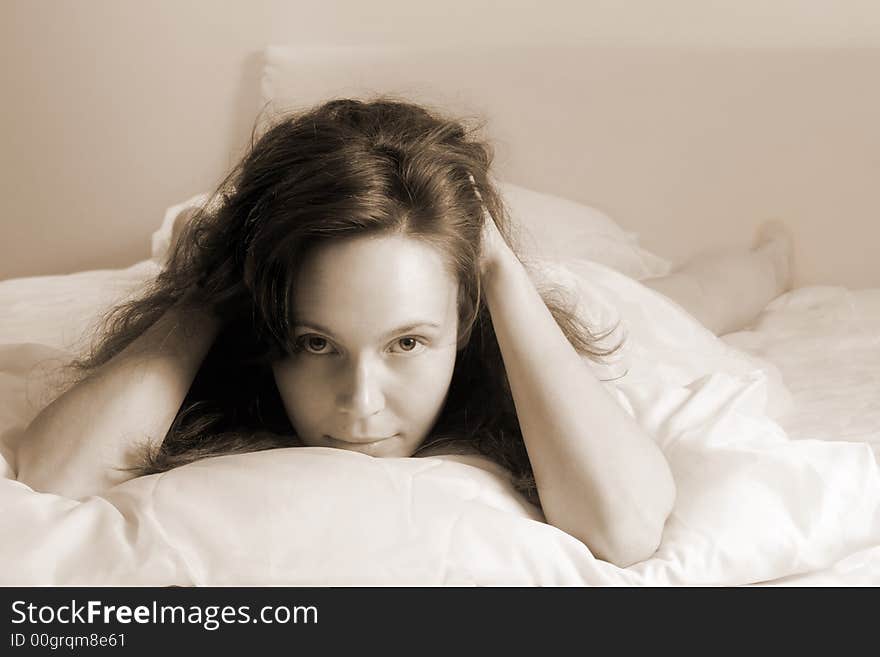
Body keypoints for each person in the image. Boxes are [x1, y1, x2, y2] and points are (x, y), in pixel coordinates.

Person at [14, 97, 791, 568]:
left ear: (465, 317)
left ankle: (773, 256)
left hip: (557, 305)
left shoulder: (502, 328)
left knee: (686, 299)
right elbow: (51, 476)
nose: (359, 406)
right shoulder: (233, 333)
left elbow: (623, 528)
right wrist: (225, 270)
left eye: (407, 344)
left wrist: (494, 266)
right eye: (314, 342)